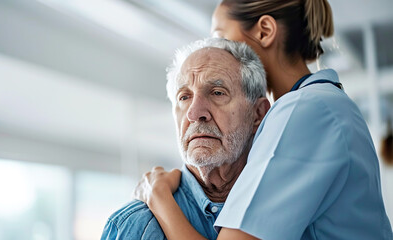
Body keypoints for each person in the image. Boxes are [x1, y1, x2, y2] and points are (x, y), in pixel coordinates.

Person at [133, 0, 393, 239]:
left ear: (265, 31)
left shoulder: (304, 110)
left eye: (220, 37)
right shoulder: (321, 102)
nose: (216, 50)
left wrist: (158, 196)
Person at [100, 38, 270, 239]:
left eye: (217, 93)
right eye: (184, 97)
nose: (194, 113)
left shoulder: (289, 208)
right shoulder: (134, 225)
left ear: (258, 114)